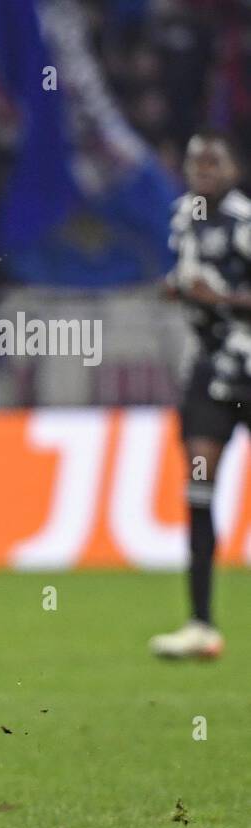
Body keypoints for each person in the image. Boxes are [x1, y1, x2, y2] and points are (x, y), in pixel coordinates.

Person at [151, 131, 251, 660]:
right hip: (210, 371)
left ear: (234, 168)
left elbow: (227, 290)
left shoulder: (244, 221)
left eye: (214, 160)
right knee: (199, 485)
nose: (203, 169)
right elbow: (184, 276)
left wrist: (226, 300)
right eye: (195, 162)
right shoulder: (181, 218)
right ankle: (200, 624)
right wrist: (177, 289)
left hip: (249, 363)